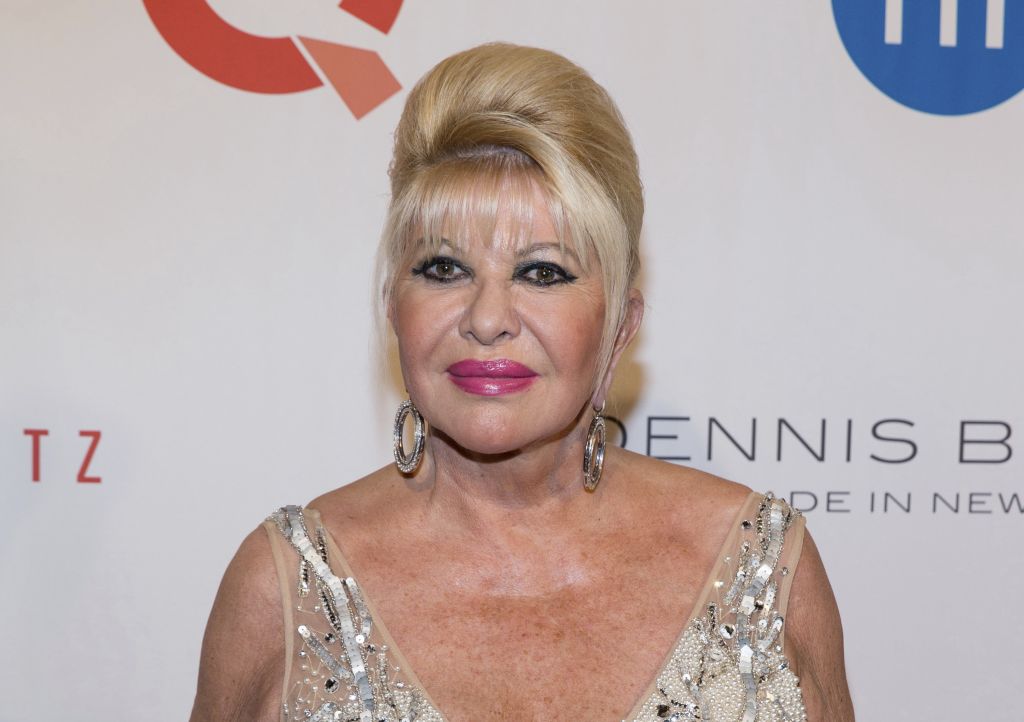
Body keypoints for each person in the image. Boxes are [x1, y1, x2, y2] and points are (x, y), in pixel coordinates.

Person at [189, 43, 854, 722]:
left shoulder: (764, 573)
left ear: (619, 327)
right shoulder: (286, 591)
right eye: (444, 269)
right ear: (394, 308)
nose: (486, 319)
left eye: (542, 273)